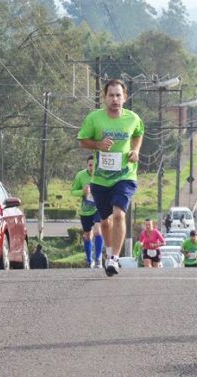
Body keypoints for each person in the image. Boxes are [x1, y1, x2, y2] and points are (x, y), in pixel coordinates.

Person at [78, 79, 144, 277]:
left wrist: (135, 150)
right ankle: (108, 253)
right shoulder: (94, 118)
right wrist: (97, 145)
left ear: (125, 97)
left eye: (118, 95)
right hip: (100, 179)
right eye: (111, 95)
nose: (115, 99)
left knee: (119, 215)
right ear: (104, 98)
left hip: (125, 175)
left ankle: (114, 258)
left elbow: (139, 133)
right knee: (105, 221)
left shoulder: (133, 118)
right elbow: (82, 140)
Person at [71, 155, 104, 268]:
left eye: (95, 165)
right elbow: (73, 191)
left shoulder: (102, 175)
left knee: (98, 232)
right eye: (90, 165)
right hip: (85, 211)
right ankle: (90, 260)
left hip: (98, 208)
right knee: (87, 236)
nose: (92, 168)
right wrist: (82, 192)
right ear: (87, 165)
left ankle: (98, 259)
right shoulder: (80, 175)